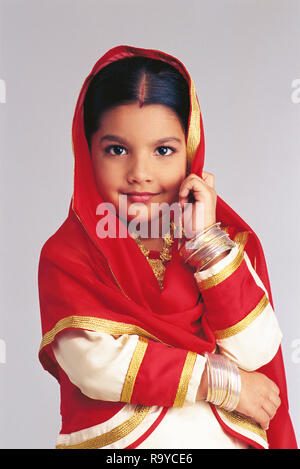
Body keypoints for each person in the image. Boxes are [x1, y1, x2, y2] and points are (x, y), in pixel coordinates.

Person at [37, 44, 297, 449]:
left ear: (190, 152)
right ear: (87, 152)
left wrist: (205, 244)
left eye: (163, 151)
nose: (140, 173)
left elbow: (256, 350)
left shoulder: (226, 240)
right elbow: (94, 366)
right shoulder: (68, 254)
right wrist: (221, 382)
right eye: (117, 149)